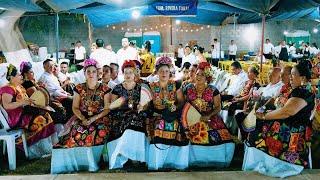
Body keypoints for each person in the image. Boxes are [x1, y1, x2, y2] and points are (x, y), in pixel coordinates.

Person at [243, 61, 315, 178]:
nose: (290, 78)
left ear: (302, 77)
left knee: (256, 127)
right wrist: (264, 112)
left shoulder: (302, 91)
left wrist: (264, 116)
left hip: (293, 131)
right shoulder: (300, 89)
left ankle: (262, 163)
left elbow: (287, 112)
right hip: (291, 125)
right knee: (255, 122)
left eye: (293, 74)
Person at [51, 59, 111, 173]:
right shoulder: (79, 88)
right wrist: (83, 119)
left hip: (100, 118)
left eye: (93, 71)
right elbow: (75, 107)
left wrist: (93, 119)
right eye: (88, 71)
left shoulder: (105, 88)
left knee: (96, 132)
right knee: (76, 133)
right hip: (82, 117)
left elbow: (107, 109)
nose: (91, 74)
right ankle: (80, 163)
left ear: (98, 73)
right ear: (84, 73)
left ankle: (94, 162)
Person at [181, 62, 234, 167]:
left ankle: (214, 159)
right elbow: (183, 105)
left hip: (210, 117)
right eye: (197, 74)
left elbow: (218, 107)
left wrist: (209, 115)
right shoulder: (188, 88)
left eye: (202, 75)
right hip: (191, 118)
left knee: (220, 135)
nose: (199, 77)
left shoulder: (213, 90)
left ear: (207, 78)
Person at [0, 64, 56, 158]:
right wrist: (23, 102)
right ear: (12, 77)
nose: (21, 76)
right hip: (15, 118)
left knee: (46, 115)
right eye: (19, 75)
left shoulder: (19, 87)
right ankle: (36, 151)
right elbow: (7, 105)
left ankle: (47, 148)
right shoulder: (7, 89)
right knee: (40, 119)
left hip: (23, 113)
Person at [146, 56, 188, 170]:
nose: (164, 73)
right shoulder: (151, 86)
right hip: (156, 115)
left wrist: (175, 107)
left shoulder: (175, 85)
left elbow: (181, 101)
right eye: (161, 71)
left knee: (175, 126)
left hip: (171, 114)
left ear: (170, 72)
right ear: (157, 73)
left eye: (166, 71)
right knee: (159, 127)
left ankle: (173, 162)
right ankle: (157, 162)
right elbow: (147, 104)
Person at [106, 60, 148, 169]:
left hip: (137, 114)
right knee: (128, 120)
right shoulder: (118, 88)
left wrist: (142, 106)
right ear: (123, 74)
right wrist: (121, 103)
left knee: (135, 120)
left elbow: (147, 104)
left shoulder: (141, 87)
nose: (128, 75)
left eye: (130, 72)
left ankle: (135, 155)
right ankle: (124, 154)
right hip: (121, 115)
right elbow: (112, 106)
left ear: (135, 74)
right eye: (126, 72)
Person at [226, 66, 260, 134]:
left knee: (232, 106)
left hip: (244, 102)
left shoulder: (255, 84)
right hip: (240, 98)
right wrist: (236, 97)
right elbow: (242, 92)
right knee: (228, 100)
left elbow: (248, 96)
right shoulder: (247, 82)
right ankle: (228, 125)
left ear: (254, 74)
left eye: (249, 72)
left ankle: (229, 127)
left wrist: (238, 99)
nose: (247, 73)